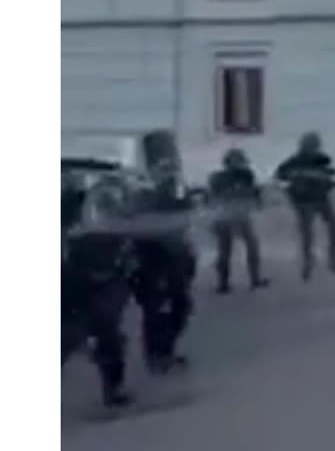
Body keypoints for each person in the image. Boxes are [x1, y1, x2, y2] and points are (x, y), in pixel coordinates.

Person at [62, 169, 135, 408]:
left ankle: (113, 390)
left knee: (108, 336)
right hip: (75, 284)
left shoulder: (117, 220)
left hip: (102, 284)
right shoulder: (70, 216)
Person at [129, 158, 198, 375]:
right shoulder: (143, 197)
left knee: (181, 306)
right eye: (164, 171)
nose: (169, 176)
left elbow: (187, 224)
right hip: (151, 261)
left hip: (175, 260)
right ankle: (156, 357)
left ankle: (165, 351)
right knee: (155, 310)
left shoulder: (179, 197)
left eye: (172, 171)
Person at [275, 133, 335, 280]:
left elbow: (333, 177)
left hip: (321, 198)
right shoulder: (293, 161)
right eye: (311, 144)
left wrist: (327, 184)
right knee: (307, 234)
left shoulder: (323, 159)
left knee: (334, 229)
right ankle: (308, 261)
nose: (314, 147)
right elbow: (280, 178)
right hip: (303, 201)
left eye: (315, 144)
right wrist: (291, 192)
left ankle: (333, 258)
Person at [207, 148, 269, 293]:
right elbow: (254, 195)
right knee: (243, 247)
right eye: (239, 161)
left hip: (227, 216)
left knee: (226, 250)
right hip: (233, 216)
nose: (242, 164)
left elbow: (211, 198)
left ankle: (225, 284)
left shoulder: (219, 177)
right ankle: (252, 280)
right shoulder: (242, 176)